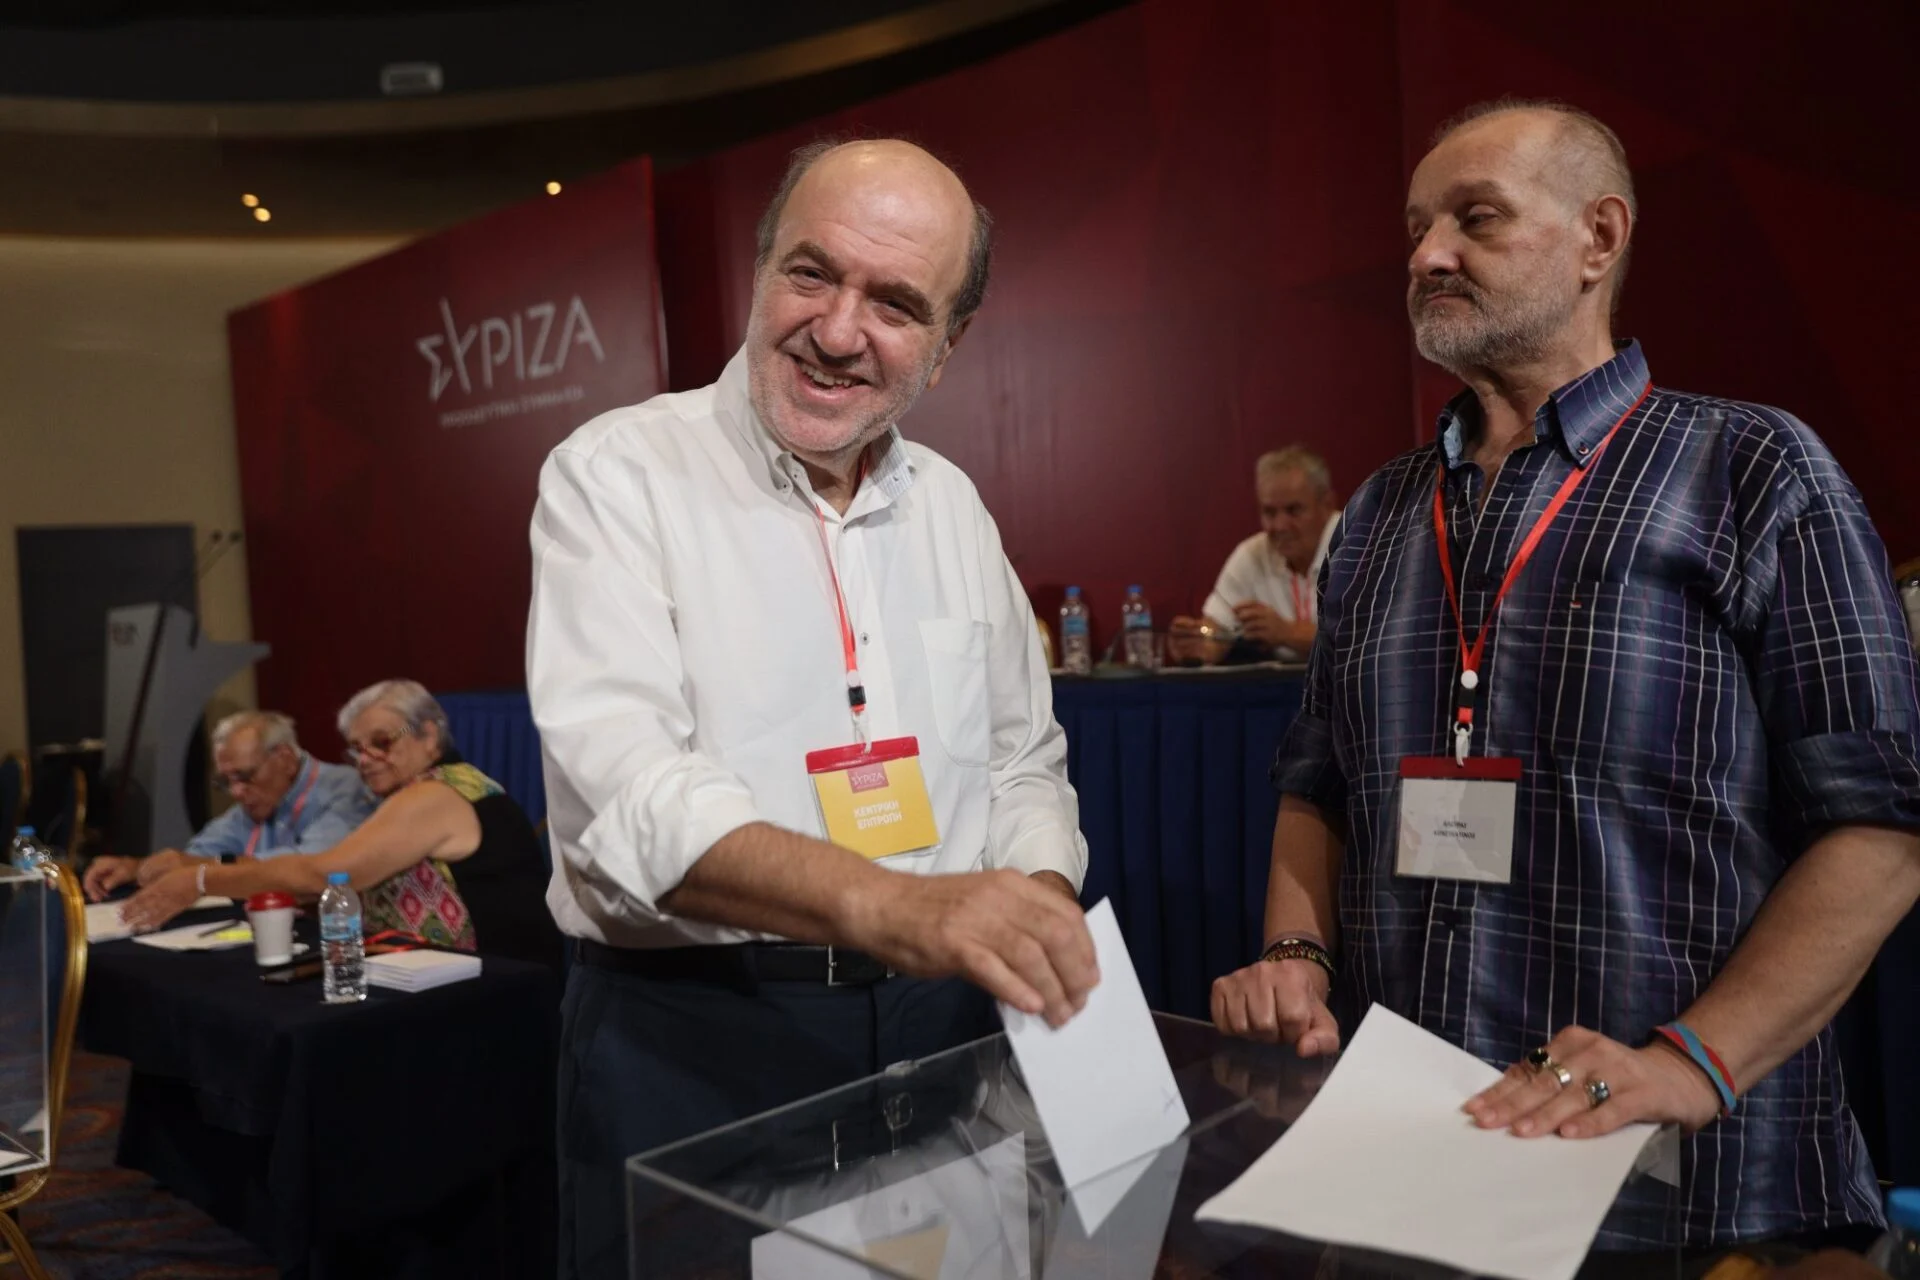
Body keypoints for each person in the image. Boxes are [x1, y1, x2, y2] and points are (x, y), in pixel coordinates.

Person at [1210, 97, 1920, 1258]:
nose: (1427, 254)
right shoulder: (1380, 514)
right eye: (1418, 226)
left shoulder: (1755, 470)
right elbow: (1316, 777)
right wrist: (1296, 952)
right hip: (1420, 1167)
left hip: (1690, 1192)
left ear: (1600, 237)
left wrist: (1690, 1060)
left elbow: (1882, 826)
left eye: (1475, 218)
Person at [527, 137, 1096, 1280]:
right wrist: (894, 903)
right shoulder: (616, 474)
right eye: (811, 273)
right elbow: (631, 794)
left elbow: (1019, 758)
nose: (838, 331)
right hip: (696, 1039)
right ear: (759, 270)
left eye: (895, 303)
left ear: (947, 346)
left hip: (941, 1031)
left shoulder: (954, 508)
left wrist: (1034, 896)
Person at [118, 680, 562, 969]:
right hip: (447, 976)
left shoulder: (436, 793)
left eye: (381, 742)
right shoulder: (422, 791)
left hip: (501, 990)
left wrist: (199, 879)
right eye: (357, 749)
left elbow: (323, 874)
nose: (366, 759)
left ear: (429, 735)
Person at [82, 709, 373, 902]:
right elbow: (197, 854)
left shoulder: (346, 789)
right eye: (225, 781)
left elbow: (308, 866)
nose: (236, 792)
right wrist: (137, 868)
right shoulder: (252, 805)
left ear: (284, 758)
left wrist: (197, 870)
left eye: (245, 776)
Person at [1169, 447, 1339, 664]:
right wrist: (1198, 644)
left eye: (1293, 510)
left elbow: (1367, 642)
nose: (1280, 526)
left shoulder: (1364, 546)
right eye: (1269, 512)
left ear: (1327, 505)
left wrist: (1288, 632)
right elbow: (1217, 628)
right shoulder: (1252, 554)